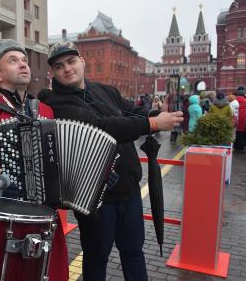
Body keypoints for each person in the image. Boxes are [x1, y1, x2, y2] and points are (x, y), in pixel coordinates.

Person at [44, 40, 183, 281]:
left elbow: (130, 111)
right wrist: (152, 124)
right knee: (96, 260)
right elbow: (104, 127)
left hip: (129, 192)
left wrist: (155, 114)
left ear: (82, 62)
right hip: (96, 201)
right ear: (53, 73)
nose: (67, 68)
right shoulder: (58, 103)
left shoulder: (106, 90)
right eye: (59, 66)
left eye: (71, 61)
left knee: (134, 254)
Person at [0, 39, 69, 280]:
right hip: (2, 213)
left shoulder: (45, 111)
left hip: (43, 212)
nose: (23, 65)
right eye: (13, 61)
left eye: (24, 60)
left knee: (47, 272)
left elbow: (55, 157)